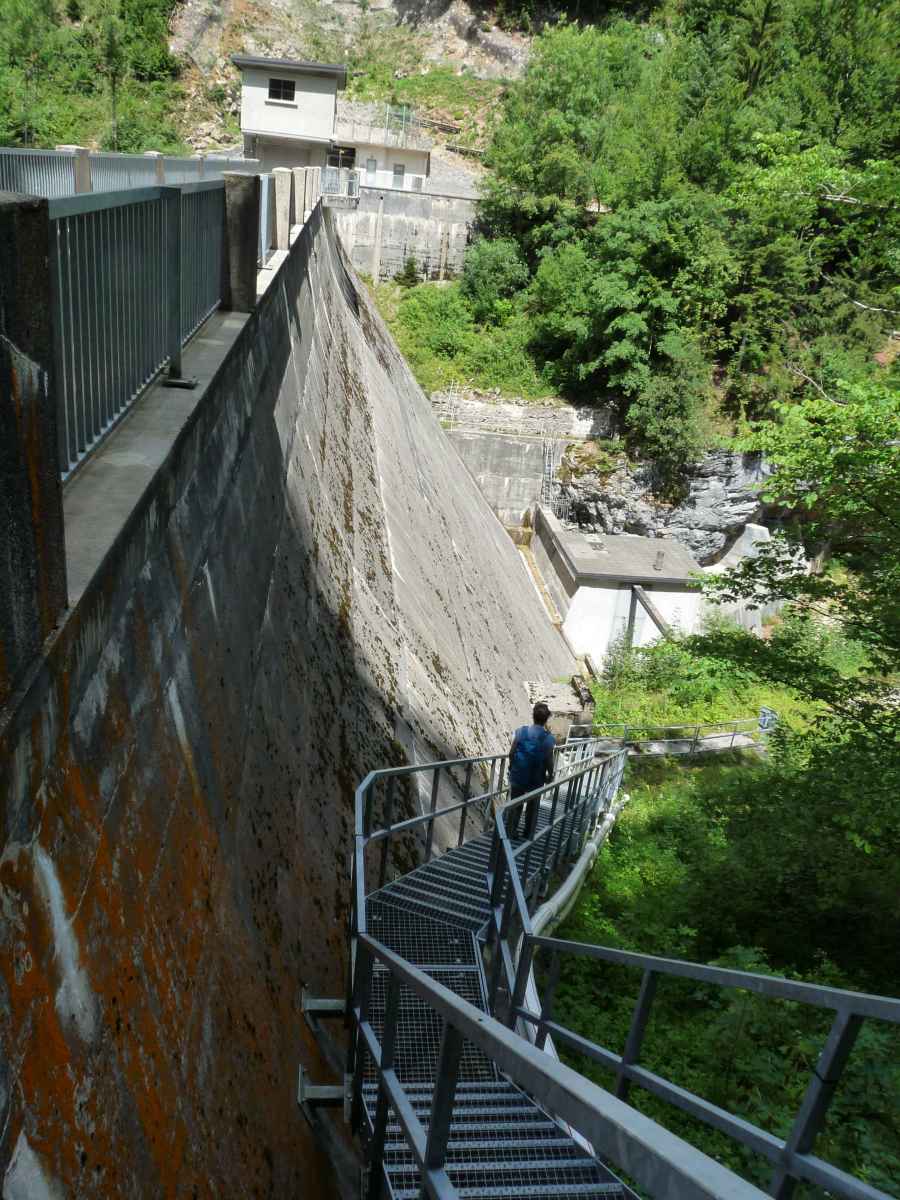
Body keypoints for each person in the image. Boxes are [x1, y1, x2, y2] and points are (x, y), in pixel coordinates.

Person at [508, 703, 555, 838]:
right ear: (546, 719)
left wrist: (512, 767)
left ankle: (511, 830)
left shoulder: (521, 732)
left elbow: (511, 753)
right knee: (533, 806)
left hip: (518, 774)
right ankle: (528, 833)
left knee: (515, 804)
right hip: (536, 778)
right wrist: (550, 775)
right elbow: (549, 761)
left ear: (533, 716)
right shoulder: (549, 739)